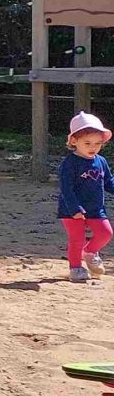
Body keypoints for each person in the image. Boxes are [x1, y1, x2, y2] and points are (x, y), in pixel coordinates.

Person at [59, 113, 111, 283]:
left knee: (105, 233)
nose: (93, 147)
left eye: (98, 143)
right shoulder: (69, 163)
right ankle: (75, 268)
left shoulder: (101, 161)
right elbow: (66, 188)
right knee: (77, 239)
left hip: (96, 208)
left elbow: (108, 182)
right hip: (71, 210)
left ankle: (89, 252)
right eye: (87, 143)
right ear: (74, 141)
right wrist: (74, 208)